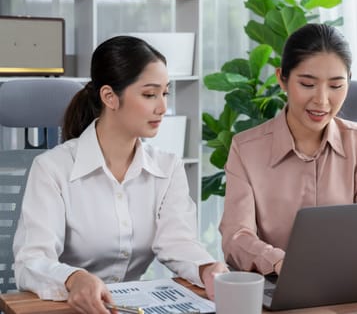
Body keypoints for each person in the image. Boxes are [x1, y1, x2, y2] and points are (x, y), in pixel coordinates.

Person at [13, 35, 228, 313]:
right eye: (150, 94)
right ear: (109, 97)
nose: (162, 107)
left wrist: (206, 268)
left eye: (165, 93)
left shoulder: (167, 167)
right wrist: (74, 278)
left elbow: (177, 242)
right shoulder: (52, 168)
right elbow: (31, 261)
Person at [219, 23, 357, 276]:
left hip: (349, 282)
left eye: (336, 86)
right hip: (277, 284)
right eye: (307, 84)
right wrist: (278, 262)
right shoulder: (246, 149)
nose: (322, 100)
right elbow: (236, 236)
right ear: (282, 79)